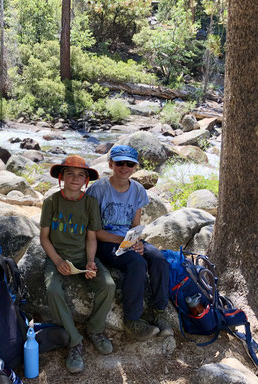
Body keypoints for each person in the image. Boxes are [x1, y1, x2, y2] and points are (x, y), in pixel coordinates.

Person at [86, 145, 173, 341]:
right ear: (110, 164)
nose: (124, 167)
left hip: (127, 240)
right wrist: (122, 241)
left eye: (130, 163)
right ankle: (132, 321)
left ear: (135, 167)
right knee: (137, 263)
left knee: (158, 259)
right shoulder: (98, 190)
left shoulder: (138, 190)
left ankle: (159, 312)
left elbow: (135, 225)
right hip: (105, 241)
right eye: (120, 163)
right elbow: (93, 231)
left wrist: (137, 242)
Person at [40, 155, 116, 373]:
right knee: (53, 290)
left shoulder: (90, 203)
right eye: (70, 173)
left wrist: (91, 262)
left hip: (83, 257)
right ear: (61, 177)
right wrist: (57, 261)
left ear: (86, 180)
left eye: (80, 174)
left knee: (108, 285)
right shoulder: (51, 202)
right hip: (57, 257)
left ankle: (95, 329)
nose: (75, 178)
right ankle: (75, 341)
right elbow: (44, 238)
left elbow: (92, 237)